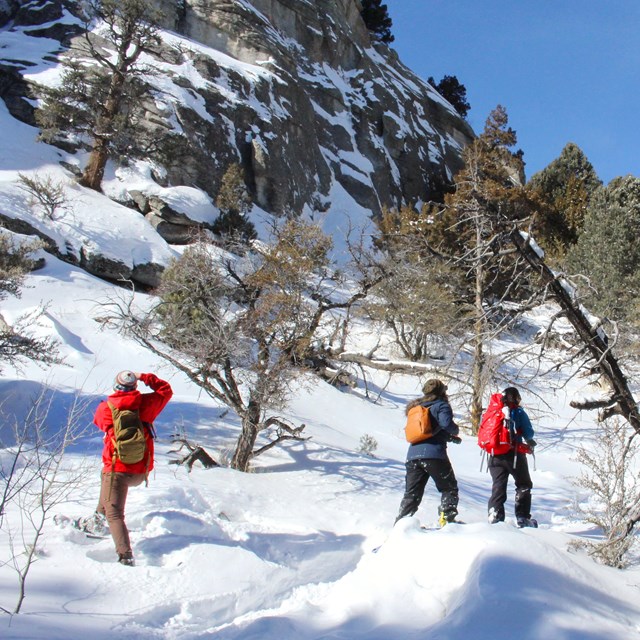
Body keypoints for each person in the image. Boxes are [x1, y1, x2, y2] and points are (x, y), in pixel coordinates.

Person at [89, 370, 173, 565]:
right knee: (106, 480)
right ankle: (97, 521)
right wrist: (144, 377)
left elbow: (99, 423)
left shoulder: (105, 408)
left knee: (115, 513)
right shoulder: (145, 404)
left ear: (115, 386)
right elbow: (165, 390)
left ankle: (125, 555)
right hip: (140, 472)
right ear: (135, 386)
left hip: (117, 471)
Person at [395, 378, 461, 525]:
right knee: (449, 487)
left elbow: (427, 429)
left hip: (413, 456)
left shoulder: (415, 409)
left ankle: (400, 526)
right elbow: (445, 424)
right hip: (434, 455)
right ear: (442, 392)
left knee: (411, 494)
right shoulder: (441, 405)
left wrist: (449, 438)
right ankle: (447, 520)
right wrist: (455, 430)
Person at [487, 386, 537, 528]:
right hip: (514, 454)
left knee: (498, 485)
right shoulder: (518, 411)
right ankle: (522, 517)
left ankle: (495, 514)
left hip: (494, 455)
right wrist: (529, 440)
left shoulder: (494, 412)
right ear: (515, 398)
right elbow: (528, 433)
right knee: (523, 484)